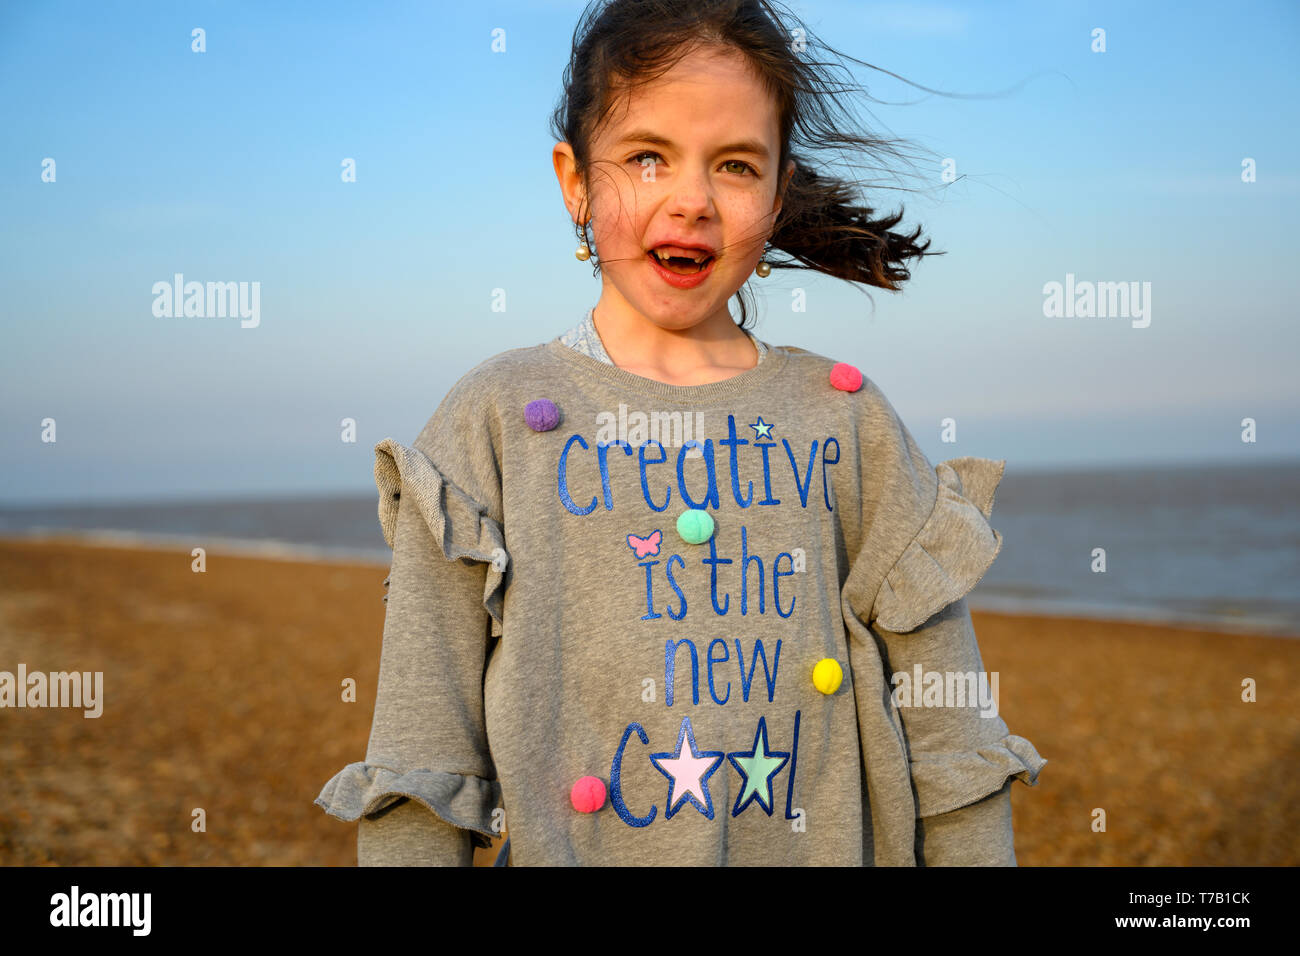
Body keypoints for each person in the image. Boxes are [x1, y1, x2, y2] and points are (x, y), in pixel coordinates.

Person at [315, 0, 1046, 866]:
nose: (692, 200)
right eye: (647, 157)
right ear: (575, 182)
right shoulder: (496, 419)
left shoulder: (845, 418)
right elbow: (422, 752)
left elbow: (952, 732)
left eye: (735, 166)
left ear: (777, 194)